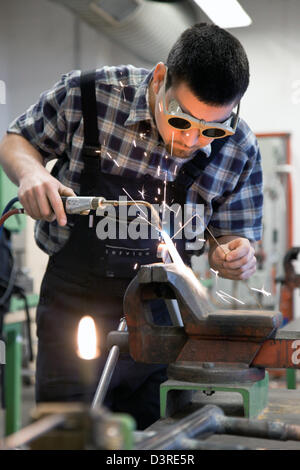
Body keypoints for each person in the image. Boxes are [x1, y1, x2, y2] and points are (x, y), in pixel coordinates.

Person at [0, 23, 262, 429]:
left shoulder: (239, 147)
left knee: (160, 441)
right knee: (68, 435)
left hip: (166, 321)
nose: (192, 141)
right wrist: (31, 173)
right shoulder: (89, 95)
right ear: (160, 79)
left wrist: (235, 253)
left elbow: (232, 233)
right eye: (183, 120)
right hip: (75, 313)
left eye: (211, 129)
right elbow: (17, 139)